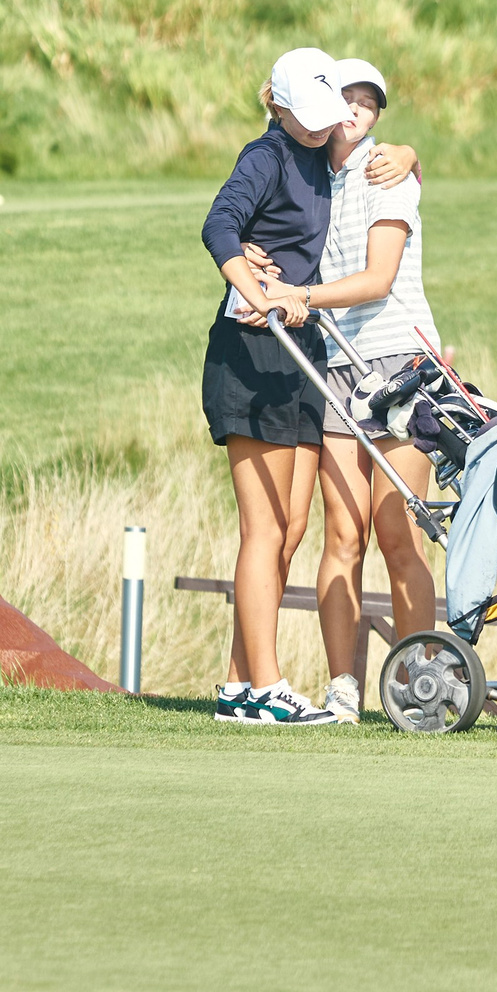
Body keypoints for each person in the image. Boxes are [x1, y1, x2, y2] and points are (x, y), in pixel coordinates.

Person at [243, 61, 438, 724]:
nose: (355, 110)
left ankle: (419, 683)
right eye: (344, 98)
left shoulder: (388, 170)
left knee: (396, 528)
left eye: (368, 103)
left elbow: (378, 279)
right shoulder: (306, 175)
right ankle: (343, 687)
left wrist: (298, 295)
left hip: (401, 363)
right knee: (342, 534)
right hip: (337, 368)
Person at [200, 47, 355, 726]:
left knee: (291, 529)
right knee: (263, 528)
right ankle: (266, 686)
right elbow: (218, 225)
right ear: (280, 105)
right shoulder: (265, 156)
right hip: (251, 353)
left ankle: (238, 686)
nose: (322, 126)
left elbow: (377, 146)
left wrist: (409, 157)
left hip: (299, 354)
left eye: (328, 114)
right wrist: (256, 288)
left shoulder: (322, 150)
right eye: (309, 115)